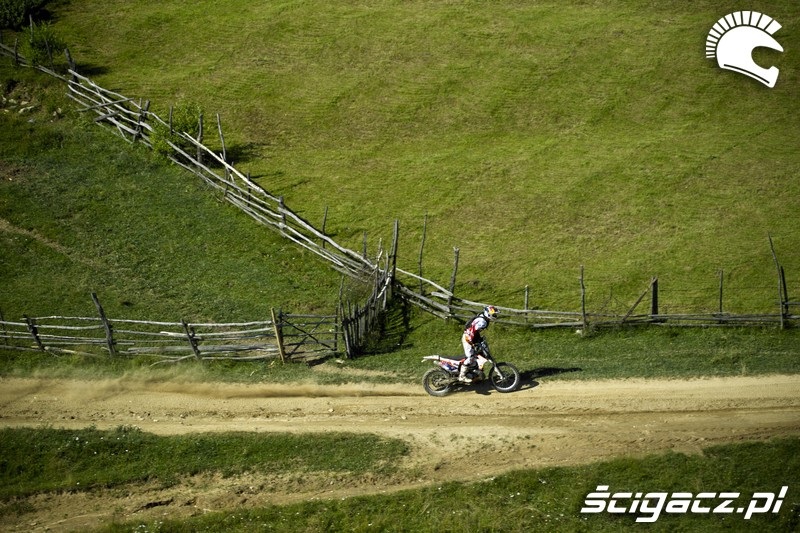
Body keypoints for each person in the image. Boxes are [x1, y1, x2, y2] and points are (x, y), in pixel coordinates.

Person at [460, 305, 498, 382]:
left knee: (478, 355)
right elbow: (472, 330)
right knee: (470, 357)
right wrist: (472, 342)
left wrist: (479, 340)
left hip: (471, 337)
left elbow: (475, 331)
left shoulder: (483, 317)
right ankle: (462, 376)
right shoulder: (482, 322)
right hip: (468, 338)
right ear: (488, 314)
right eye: (494, 315)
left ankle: (474, 373)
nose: (495, 316)